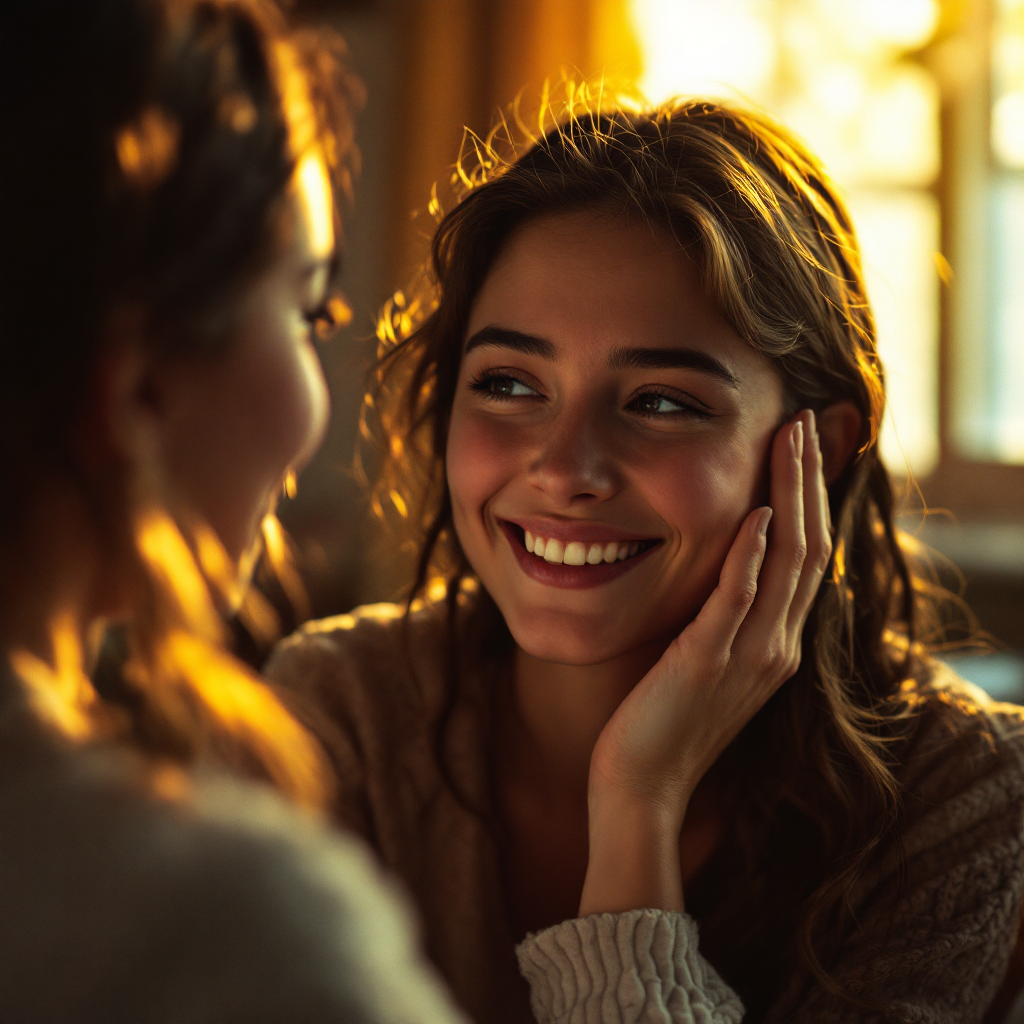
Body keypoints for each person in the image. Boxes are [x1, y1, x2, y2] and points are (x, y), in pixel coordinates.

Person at [267, 90, 1024, 1023]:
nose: (565, 470)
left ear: (816, 450)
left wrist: (635, 805)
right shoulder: (334, 723)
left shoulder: (960, 799)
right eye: (508, 383)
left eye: (661, 402)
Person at [0, 5, 643, 1021]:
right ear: (137, 388)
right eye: (307, 313)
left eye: (658, 402)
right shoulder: (225, 926)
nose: (567, 471)